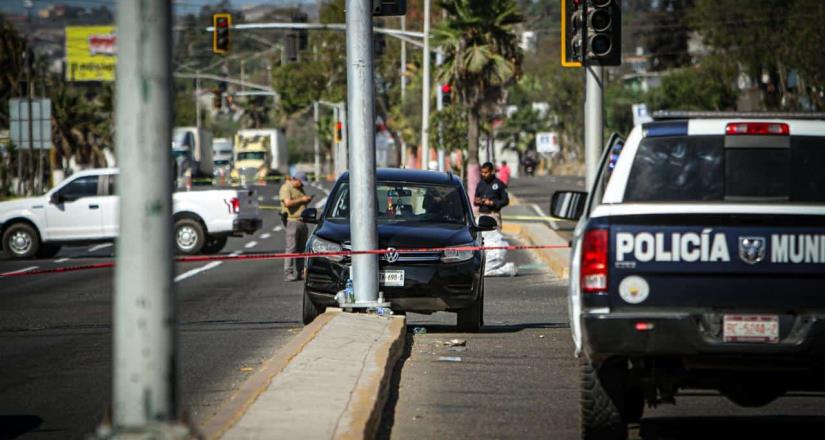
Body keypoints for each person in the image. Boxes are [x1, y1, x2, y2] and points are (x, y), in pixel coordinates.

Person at [280, 175, 314, 281]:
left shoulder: (299, 188)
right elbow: (288, 203)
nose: (302, 184)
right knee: (291, 248)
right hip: (292, 221)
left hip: (302, 220)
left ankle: (301, 272)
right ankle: (288, 272)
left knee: (302, 248)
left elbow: (300, 203)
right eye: (301, 182)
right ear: (296, 179)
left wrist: (307, 200)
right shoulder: (286, 188)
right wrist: (302, 199)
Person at [474, 162, 509, 229]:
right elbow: (475, 199)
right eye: (482, 172)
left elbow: (506, 200)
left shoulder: (499, 184)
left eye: (486, 172)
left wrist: (492, 203)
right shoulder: (480, 184)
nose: (483, 174)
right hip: (481, 214)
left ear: (492, 172)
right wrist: (477, 201)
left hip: (493, 214)